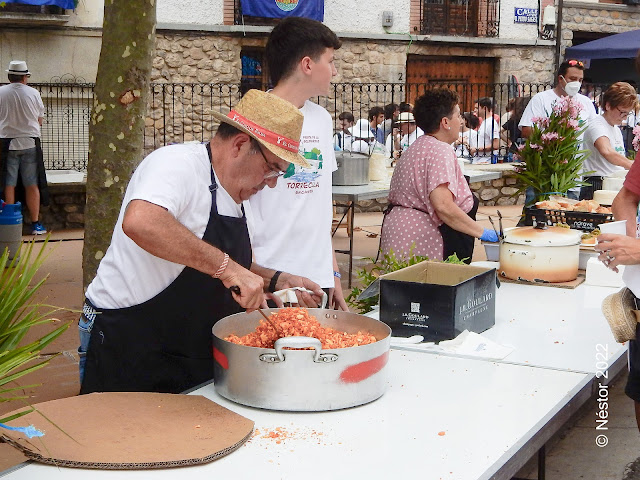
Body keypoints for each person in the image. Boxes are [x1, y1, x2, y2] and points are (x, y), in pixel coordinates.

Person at [78, 90, 324, 394]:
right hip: (128, 341)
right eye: (272, 168)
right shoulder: (176, 164)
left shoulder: (234, 191)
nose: (272, 182)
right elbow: (140, 221)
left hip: (186, 349)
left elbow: (217, 260)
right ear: (239, 144)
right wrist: (230, 270)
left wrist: (277, 279)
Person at [245, 17, 348, 311]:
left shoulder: (322, 120)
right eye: (330, 61)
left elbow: (319, 203)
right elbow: (237, 207)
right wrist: (256, 278)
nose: (335, 70)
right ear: (307, 65)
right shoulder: (254, 117)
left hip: (317, 280)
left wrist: (333, 272)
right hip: (272, 278)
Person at [380, 89, 499, 263]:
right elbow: (443, 206)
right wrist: (482, 232)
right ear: (445, 122)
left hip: (400, 233)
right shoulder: (440, 150)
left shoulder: (416, 146)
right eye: (458, 116)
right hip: (422, 240)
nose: (460, 121)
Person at [519, 59, 597, 200]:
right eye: (572, 79)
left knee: (566, 219)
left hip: (572, 176)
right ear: (560, 79)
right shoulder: (541, 99)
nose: (577, 84)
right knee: (535, 216)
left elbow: (594, 132)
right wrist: (554, 138)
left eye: (580, 80)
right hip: (543, 175)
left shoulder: (586, 103)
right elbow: (526, 130)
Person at [0, 60, 48, 234]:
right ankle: (35, 223)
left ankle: (11, 223)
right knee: (32, 184)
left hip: (7, 142)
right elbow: (39, 120)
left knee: (9, 183)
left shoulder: (1, 92)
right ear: (24, 77)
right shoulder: (33, 93)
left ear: (9, 76)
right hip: (30, 141)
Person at [580, 82, 636, 200]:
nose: (625, 117)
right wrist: (633, 166)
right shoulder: (597, 125)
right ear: (608, 105)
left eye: (628, 113)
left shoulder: (615, 128)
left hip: (613, 185)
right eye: (622, 112)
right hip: (597, 185)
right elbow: (607, 151)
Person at [468, 97, 500, 164]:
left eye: (477, 108)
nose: (474, 110)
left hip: (486, 161)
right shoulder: (484, 122)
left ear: (485, 108)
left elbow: (495, 145)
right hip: (479, 160)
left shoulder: (491, 123)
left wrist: (477, 149)